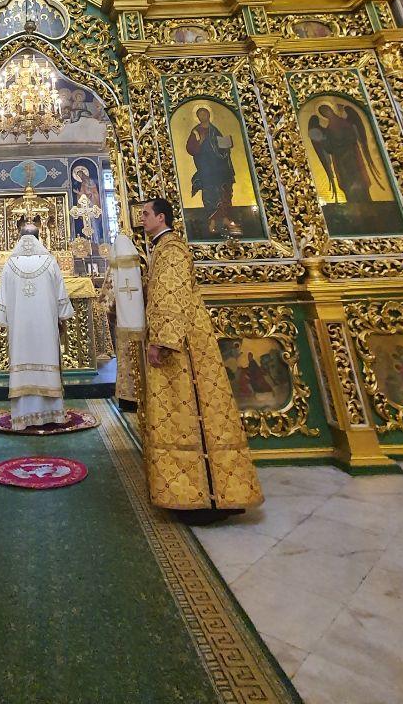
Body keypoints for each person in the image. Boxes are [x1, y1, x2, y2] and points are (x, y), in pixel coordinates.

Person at [140, 197, 262, 515]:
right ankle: (198, 491)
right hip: (182, 337)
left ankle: (206, 495)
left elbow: (170, 295)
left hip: (182, 344)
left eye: (146, 214)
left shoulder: (171, 249)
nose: (142, 219)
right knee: (186, 411)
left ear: (161, 218)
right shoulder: (163, 247)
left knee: (190, 409)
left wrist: (162, 340)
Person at [0, 221, 73, 430]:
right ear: (39, 238)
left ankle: (23, 417)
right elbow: (61, 297)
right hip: (45, 328)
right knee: (47, 358)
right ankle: (52, 414)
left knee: (22, 358)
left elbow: (2, 302)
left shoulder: (10, 264)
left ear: (19, 238)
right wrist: (61, 318)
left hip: (20, 331)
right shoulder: (50, 262)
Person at [185, 106, 240, 237]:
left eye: (204, 113)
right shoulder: (196, 131)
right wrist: (201, 141)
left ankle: (226, 219)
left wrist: (226, 145)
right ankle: (212, 223)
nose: (202, 116)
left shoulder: (215, 130)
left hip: (220, 167)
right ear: (197, 117)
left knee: (224, 192)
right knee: (210, 193)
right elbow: (190, 148)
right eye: (200, 114)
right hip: (207, 168)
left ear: (209, 115)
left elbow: (221, 147)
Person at [107, 231, 145, 409]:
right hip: (140, 321)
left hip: (123, 323)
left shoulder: (114, 271)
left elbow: (107, 299)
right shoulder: (142, 265)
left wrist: (112, 311)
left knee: (126, 358)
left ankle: (127, 398)